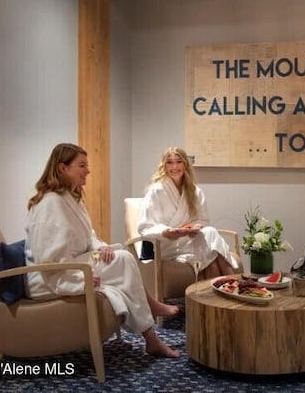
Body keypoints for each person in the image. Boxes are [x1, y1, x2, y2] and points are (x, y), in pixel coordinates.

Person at [25, 143, 179, 358]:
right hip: (50, 277)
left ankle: (151, 325)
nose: (87, 170)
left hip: (76, 262)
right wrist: (79, 280)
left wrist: (102, 247)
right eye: (81, 165)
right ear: (62, 168)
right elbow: (47, 261)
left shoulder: (71, 198)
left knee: (121, 256)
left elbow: (90, 236)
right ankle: (151, 326)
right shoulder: (50, 204)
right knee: (124, 259)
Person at [137, 146, 239, 279]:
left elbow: (203, 220)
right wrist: (168, 232)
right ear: (164, 166)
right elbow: (145, 227)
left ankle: (217, 293)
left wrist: (195, 227)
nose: (174, 166)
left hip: (189, 240)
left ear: (185, 164)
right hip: (166, 244)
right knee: (210, 244)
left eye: (179, 161)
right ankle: (235, 285)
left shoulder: (195, 191)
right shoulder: (156, 191)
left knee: (210, 238)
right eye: (170, 162)